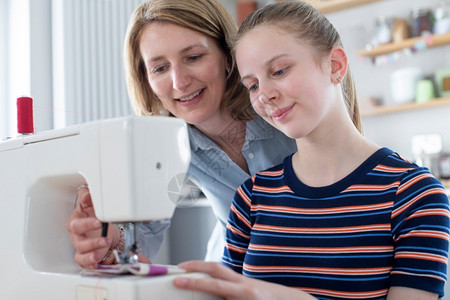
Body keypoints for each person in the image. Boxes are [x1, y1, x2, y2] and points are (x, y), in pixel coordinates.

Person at [173, 1, 450, 299]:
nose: (265, 95)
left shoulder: (415, 194)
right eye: (252, 85)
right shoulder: (251, 199)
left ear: (335, 66)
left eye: (279, 71)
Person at [66, 0, 296, 269]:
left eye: (194, 57)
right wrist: (107, 238)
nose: (179, 82)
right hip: (234, 272)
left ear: (227, 54)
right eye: (160, 68)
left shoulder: (279, 106)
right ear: (146, 79)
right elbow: (145, 234)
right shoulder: (168, 142)